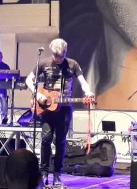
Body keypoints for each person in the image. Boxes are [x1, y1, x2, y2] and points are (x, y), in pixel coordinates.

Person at [25, 38, 94, 186]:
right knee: (46, 139)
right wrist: (37, 94)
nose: (57, 59)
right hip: (47, 108)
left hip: (65, 108)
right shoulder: (43, 63)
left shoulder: (72, 64)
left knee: (60, 141)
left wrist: (88, 92)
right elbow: (29, 80)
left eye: (60, 56)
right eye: (55, 56)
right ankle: (44, 172)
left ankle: (57, 174)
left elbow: (82, 81)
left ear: (65, 52)